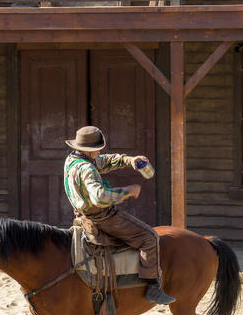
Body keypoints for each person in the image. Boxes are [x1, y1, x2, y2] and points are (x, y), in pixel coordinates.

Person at [63, 126, 175, 305]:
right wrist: (128, 191)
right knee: (149, 237)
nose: (99, 152)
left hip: (83, 215)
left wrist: (130, 161)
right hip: (102, 217)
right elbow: (99, 197)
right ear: (88, 150)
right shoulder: (87, 169)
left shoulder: (73, 160)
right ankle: (153, 287)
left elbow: (104, 161)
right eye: (97, 149)